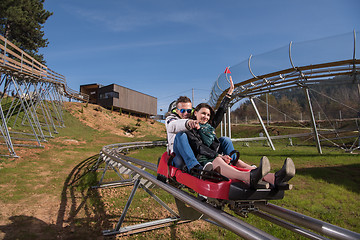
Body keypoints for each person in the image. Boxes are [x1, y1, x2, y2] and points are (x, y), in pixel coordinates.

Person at [185, 77, 295, 188]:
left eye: (208, 115)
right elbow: (199, 147)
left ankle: (274, 178)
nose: (206, 117)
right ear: (195, 113)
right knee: (219, 160)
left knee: (239, 162)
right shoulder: (190, 128)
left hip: (216, 156)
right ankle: (248, 177)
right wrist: (218, 155)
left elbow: (221, 112)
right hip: (205, 160)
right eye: (203, 113)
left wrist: (229, 94)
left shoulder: (209, 126)